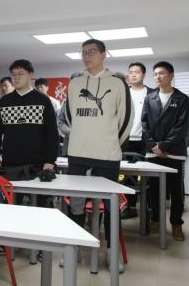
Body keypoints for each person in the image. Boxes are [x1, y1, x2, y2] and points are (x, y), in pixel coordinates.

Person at [64, 39, 133, 272]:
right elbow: (70, 116)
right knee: (76, 204)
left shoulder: (117, 83)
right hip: (78, 153)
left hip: (107, 154)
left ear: (104, 54)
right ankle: (74, 248)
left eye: (92, 52)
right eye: (83, 52)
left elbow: (126, 118)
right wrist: (81, 135)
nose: (87, 56)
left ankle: (112, 251)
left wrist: (112, 141)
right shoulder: (75, 83)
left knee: (111, 205)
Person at [142, 61, 189, 241]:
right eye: (155, 74)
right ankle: (155, 219)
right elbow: (144, 124)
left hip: (174, 152)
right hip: (153, 152)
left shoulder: (182, 99)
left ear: (171, 75)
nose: (158, 77)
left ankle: (176, 224)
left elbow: (181, 127)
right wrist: (154, 146)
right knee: (154, 189)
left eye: (161, 73)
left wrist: (163, 146)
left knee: (176, 190)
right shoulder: (150, 98)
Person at [0, 59, 57, 178]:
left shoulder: (43, 100)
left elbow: (52, 133)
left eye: (21, 74)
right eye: (13, 74)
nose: (16, 78)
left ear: (30, 75)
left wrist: (50, 160)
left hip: (38, 165)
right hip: (10, 164)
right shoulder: (4, 102)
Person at [121, 62, 154, 220]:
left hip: (146, 140)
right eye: (131, 72)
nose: (133, 75)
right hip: (126, 140)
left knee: (148, 175)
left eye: (137, 72)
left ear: (144, 74)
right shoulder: (123, 93)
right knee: (128, 175)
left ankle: (150, 207)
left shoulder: (152, 93)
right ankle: (131, 206)